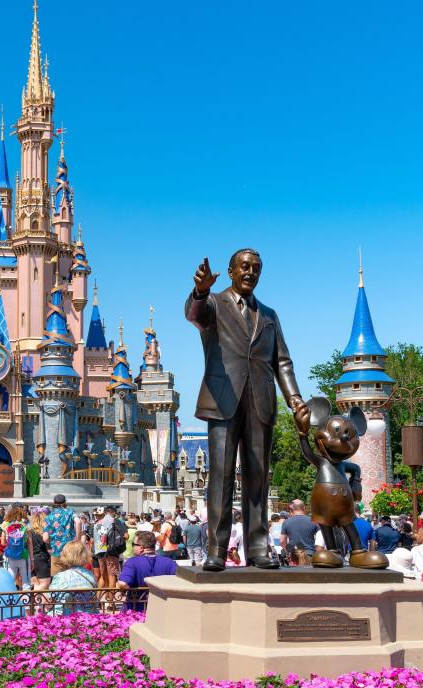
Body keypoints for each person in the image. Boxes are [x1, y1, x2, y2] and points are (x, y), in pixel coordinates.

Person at [185, 249, 306, 571]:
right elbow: (194, 315)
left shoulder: (269, 315)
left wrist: (294, 399)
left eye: (256, 268)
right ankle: (216, 549)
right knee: (221, 476)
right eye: (244, 267)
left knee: (258, 479)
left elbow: (282, 361)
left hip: (261, 403)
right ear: (231, 271)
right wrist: (200, 291)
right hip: (222, 400)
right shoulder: (214, 303)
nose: (250, 272)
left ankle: (257, 548)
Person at [118, 531, 178, 612]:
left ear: (141, 548)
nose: (132, 547)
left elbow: (123, 583)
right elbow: (180, 580)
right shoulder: (169, 562)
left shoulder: (132, 562)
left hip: (137, 611)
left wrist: (126, 589)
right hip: (162, 609)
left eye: (133, 545)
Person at [49, 539, 98, 615]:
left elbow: (51, 598)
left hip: (64, 618)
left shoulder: (60, 577)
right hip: (88, 616)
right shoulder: (90, 575)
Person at [43, 494, 82, 575]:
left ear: (54, 503)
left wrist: (53, 541)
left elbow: (45, 538)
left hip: (56, 552)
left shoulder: (49, 517)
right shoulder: (70, 512)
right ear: (65, 502)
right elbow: (78, 522)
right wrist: (77, 539)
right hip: (69, 551)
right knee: (71, 576)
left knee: (56, 579)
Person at [27, 510, 52, 590]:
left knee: (35, 584)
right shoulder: (44, 533)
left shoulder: (29, 532)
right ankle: (33, 597)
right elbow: (49, 550)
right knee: (45, 584)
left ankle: (32, 600)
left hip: (30, 559)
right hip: (42, 560)